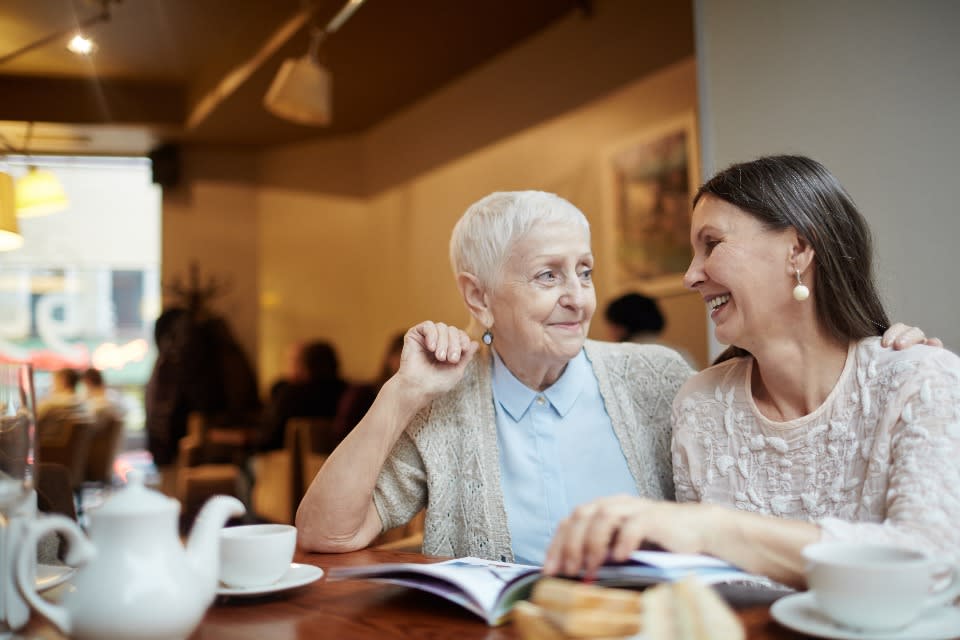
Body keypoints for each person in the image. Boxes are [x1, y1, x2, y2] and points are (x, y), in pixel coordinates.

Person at [543, 155, 957, 587]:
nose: (690, 276)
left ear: (797, 249)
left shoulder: (921, 381)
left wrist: (715, 529)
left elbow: (933, 562)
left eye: (712, 244)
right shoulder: (701, 405)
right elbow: (702, 588)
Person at [296, 190, 694, 564]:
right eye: (549, 276)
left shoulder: (656, 378)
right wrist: (403, 392)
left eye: (585, 272)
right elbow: (325, 534)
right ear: (478, 297)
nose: (580, 299)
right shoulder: (446, 404)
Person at [260, 340, 347, 451]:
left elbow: (269, 438)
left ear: (305, 365)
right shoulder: (347, 392)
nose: (292, 366)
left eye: (295, 361)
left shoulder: (291, 394)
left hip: (282, 457)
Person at [604, 292, 699, 369]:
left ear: (620, 327)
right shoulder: (682, 355)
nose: (609, 333)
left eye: (611, 326)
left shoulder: (619, 361)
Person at [37, 367, 92, 435]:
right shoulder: (82, 403)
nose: (51, 385)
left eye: (54, 380)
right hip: (68, 444)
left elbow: (29, 421)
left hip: (48, 444)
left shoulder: (51, 404)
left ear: (62, 381)